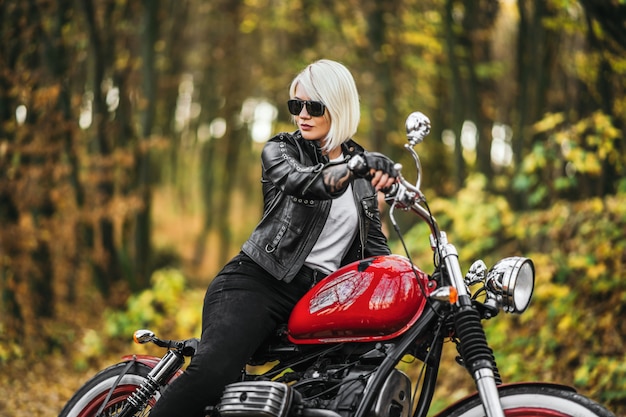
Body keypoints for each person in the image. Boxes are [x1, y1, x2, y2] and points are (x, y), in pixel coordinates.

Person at [148, 59, 398, 417]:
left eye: (314, 106)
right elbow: (306, 183)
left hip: (320, 299)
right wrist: (354, 168)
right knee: (211, 375)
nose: (302, 115)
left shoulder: (360, 171)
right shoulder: (282, 150)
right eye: (296, 105)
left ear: (339, 106)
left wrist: (414, 284)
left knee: (341, 390)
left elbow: (373, 250)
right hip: (257, 284)